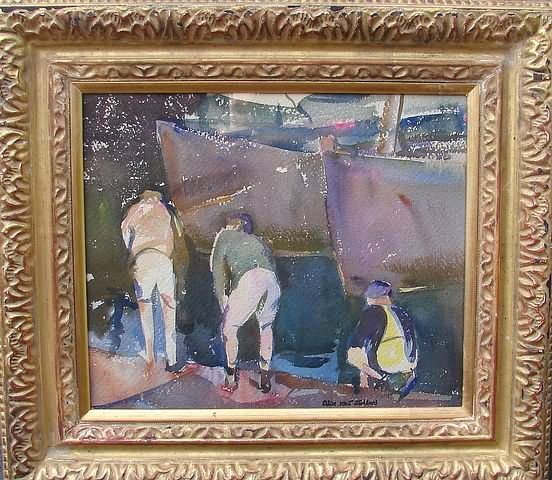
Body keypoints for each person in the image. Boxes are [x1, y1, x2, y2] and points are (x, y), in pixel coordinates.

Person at [210, 213, 281, 393]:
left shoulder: (223, 236)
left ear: (233, 225)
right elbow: (271, 266)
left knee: (229, 329)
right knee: (266, 327)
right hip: (271, 281)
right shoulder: (258, 241)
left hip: (250, 280)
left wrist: (223, 302)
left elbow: (218, 273)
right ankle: (265, 377)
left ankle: (231, 377)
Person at [121, 189, 188, 375]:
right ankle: (172, 359)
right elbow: (177, 235)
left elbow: (125, 234)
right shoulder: (165, 210)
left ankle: (150, 358)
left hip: (142, 261)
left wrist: (133, 251)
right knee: (169, 310)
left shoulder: (134, 210)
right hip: (163, 260)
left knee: (146, 311)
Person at [346, 280, 418, 400]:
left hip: (389, 366)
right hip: (409, 366)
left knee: (353, 354)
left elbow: (357, 342)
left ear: (371, 297)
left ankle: (379, 381)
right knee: (369, 349)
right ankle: (395, 380)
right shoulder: (401, 312)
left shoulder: (372, 312)